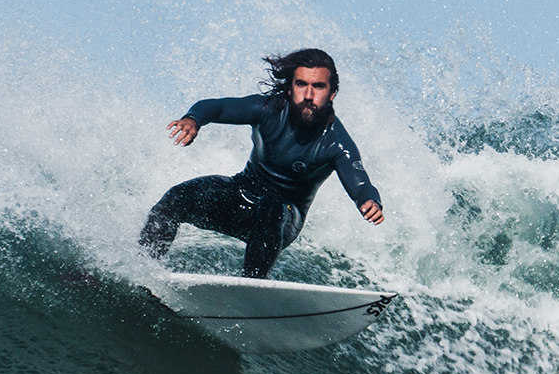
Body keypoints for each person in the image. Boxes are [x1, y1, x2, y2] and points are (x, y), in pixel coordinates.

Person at [138, 48, 384, 279]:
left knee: (272, 207)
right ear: (290, 88)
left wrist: (369, 201)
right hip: (242, 197)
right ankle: (142, 268)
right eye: (301, 84)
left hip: (283, 219)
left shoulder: (336, 143)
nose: (309, 95)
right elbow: (218, 106)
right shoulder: (268, 109)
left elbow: (361, 184)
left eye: (318, 87)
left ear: (331, 94)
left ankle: (251, 287)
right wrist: (193, 119)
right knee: (177, 196)